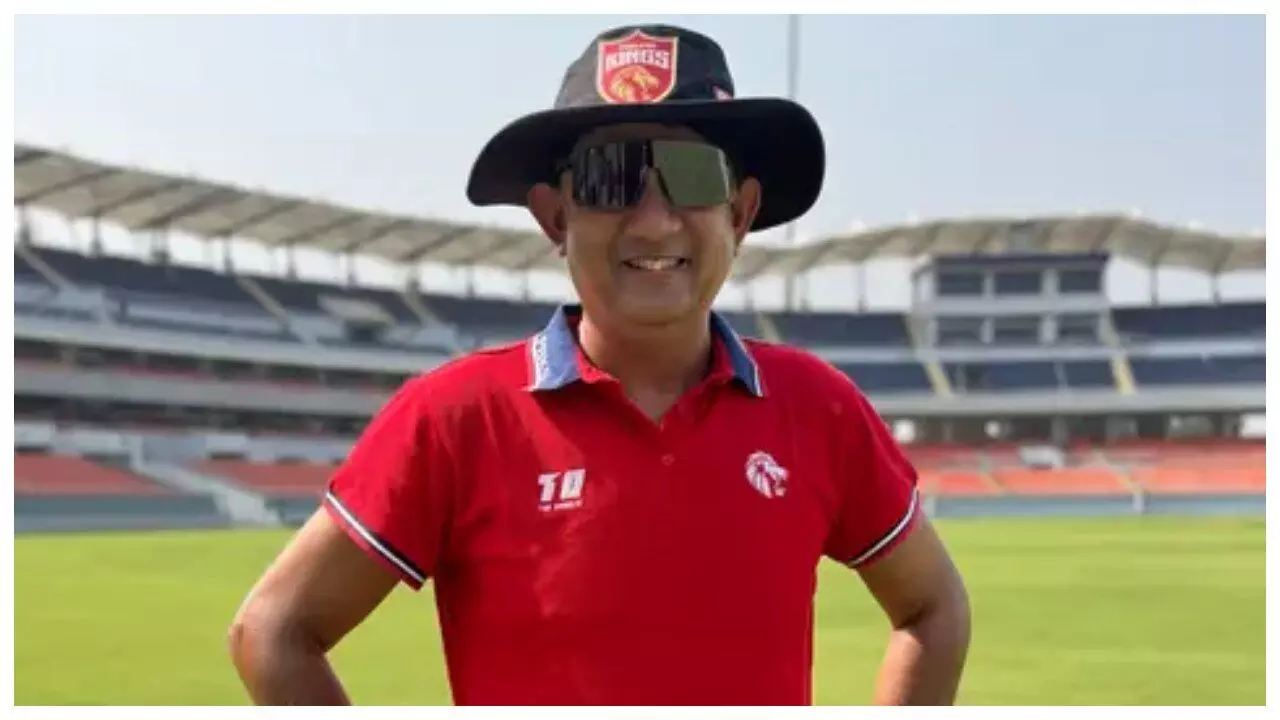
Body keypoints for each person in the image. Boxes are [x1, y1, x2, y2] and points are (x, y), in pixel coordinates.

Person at [228, 23, 971, 706]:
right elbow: (273, 631)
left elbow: (934, 607)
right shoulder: (455, 416)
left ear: (740, 214)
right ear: (556, 217)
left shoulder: (817, 405)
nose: (654, 220)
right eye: (611, 177)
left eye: (692, 175)